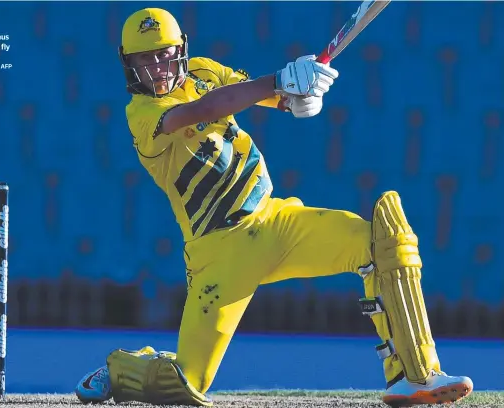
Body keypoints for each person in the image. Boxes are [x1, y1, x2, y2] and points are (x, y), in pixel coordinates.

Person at [74, 7, 474, 407]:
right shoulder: (141, 114)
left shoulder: (203, 71)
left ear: (181, 49)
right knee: (185, 384)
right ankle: (123, 368)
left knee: (383, 241)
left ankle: (412, 376)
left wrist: (297, 95)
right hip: (219, 252)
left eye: (163, 53)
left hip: (274, 222)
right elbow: (202, 110)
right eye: (144, 58)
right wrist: (279, 80)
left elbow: (263, 94)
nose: (157, 66)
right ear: (129, 65)